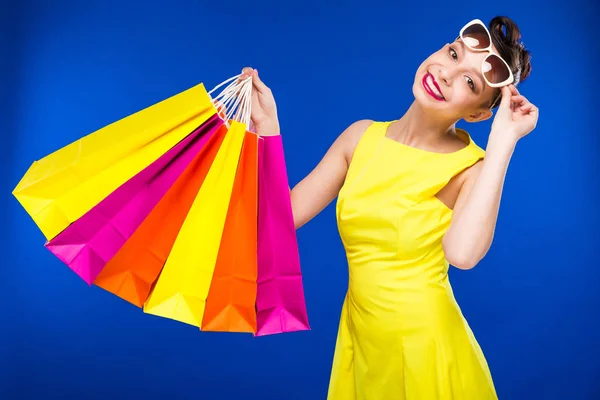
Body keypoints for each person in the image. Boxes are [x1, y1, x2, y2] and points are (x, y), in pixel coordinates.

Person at [240, 15, 537, 400]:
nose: (447, 73)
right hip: (361, 344)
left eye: (469, 82)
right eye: (453, 54)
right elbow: (277, 220)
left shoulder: (469, 168)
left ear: (479, 113)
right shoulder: (360, 136)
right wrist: (267, 130)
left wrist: (503, 142)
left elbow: (462, 254)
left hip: (426, 351)